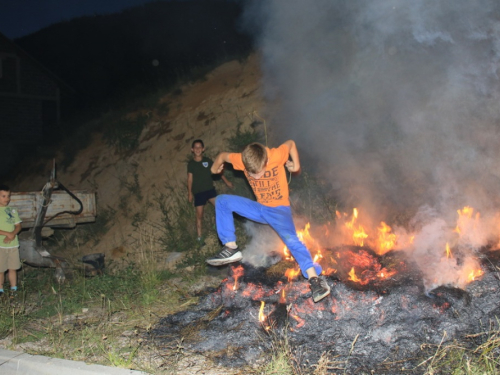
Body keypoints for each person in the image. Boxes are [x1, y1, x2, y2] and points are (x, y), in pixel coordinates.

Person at [206, 140, 330, 302]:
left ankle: (315, 280)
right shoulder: (242, 159)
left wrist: (296, 165)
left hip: (279, 210)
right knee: (222, 201)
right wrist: (214, 168)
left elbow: (291, 144)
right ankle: (230, 247)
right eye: (252, 174)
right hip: (260, 209)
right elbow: (222, 156)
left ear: (266, 161)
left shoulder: (276, 155)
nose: (256, 177)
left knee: (292, 240)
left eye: (260, 172)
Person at [188, 139, 233, 244]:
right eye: (196, 147)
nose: (198, 149)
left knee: (220, 207)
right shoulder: (191, 164)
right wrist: (189, 193)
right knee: (199, 215)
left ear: (203, 149)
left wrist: (226, 182)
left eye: (200, 147)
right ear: (192, 150)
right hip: (198, 192)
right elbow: (189, 179)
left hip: (209, 190)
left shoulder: (207, 161)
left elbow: (218, 170)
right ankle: (200, 237)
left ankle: (222, 229)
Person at [0, 185, 22, 298]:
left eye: (8, 196)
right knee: (1, 270)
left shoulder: (12, 210)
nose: (6, 198)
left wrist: (13, 233)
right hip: (1, 246)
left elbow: (18, 226)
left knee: (12, 268)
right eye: (3, 196)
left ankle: (14, 289)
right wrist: (7, 233)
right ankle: (1, 290)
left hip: (13, 245)